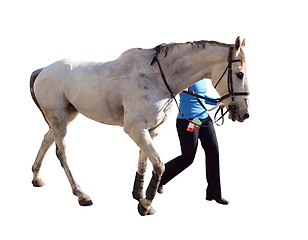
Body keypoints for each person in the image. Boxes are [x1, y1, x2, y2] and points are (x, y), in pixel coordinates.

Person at [158, 79, 229, 205]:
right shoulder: (185, 75)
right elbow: (169, 86)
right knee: (188, 157)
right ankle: (159, 178)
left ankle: (214, 193)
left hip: (203, 118)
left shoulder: (202, 77)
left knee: (213, 153)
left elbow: (201, 97)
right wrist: (179, 88)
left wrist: (216, 102)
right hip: (189, 120)